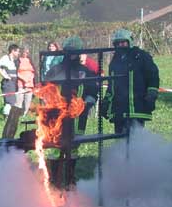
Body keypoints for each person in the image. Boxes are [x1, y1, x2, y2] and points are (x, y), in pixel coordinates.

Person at [44, 36, 98, 186]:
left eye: (75, 52)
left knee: (74, 148)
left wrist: (88, 102)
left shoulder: (85, 72)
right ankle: (54, 178)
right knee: (55, 147)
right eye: (69, 52)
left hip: (78, 117)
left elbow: (93, 90)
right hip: (58, 117)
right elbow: (45, 89)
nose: (72, 55)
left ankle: (69, 178)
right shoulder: (55, 71)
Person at [101, 29, 159, 134]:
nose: (120, 45)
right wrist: (106, 102)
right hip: (119, 111)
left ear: (130, 42)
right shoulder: (114, 63)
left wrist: (152, 92)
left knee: (135, 142)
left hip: (137, 108)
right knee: (120, 142)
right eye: (117, 43)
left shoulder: (141, 56)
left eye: (123, 42)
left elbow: (153, 75)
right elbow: (112, 86)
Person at [17, 48, 36, 116]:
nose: (25, 54)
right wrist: (24, 79)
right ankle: (17, 114)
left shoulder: (30, 60)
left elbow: (33, 71)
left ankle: (24, 114)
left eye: (27, 53)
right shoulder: (18, 60)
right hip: (21, 84)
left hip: (30, 84)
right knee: (19, 100)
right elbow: (16, 72)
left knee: (28, 100)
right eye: (24, 52)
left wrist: (30, 79)